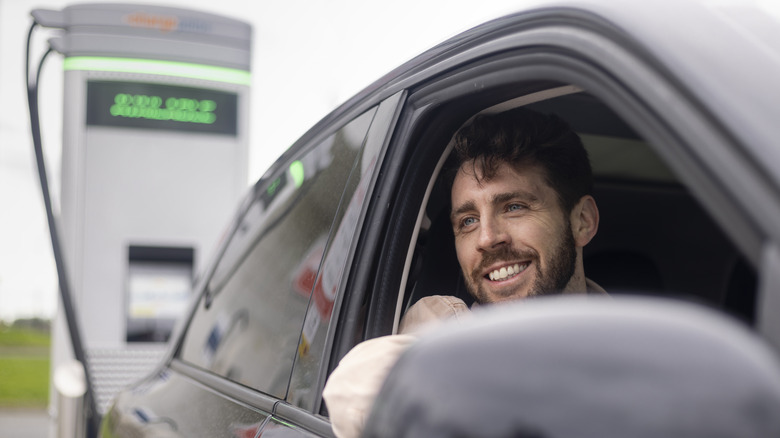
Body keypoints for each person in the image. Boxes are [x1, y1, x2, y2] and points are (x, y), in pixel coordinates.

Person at [322, 107, 604, 438]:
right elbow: (350, 390)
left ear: (582, 221)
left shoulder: (637, 338)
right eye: (468, 221)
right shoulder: (448, 327)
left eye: (514, 207)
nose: (487, 238)